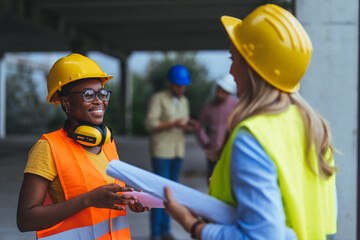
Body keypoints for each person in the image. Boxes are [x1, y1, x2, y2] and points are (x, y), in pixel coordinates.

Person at [163, 4, 337, 240]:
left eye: (233, 58)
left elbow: (262, 236)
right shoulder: (316, 127)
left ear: (252, 68)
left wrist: (192, 224)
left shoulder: (253, 135)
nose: (232, 71)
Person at [16, 53, 149, 240]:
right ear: (66, 102)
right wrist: (88, 200)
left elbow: (104, 195)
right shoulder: (48, 147)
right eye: (88, 94)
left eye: (103, 93)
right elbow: (25, 220)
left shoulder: (107, 142)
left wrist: (130, 199)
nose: (99, 100)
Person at [144, 64, 199, 240]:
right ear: (170, 83)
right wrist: (174, 124)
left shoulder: (185, 101)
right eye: (178, 85)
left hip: (177, 152)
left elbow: (182, 124)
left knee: (172, 194)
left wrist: (190, 125)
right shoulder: (158, 99)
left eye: (183, 86)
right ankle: (155, 232)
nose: (181, 89)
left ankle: (166, 230)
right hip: (162, 152)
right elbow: (150, 124)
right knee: (158, 193)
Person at [196, 74, 237, 182]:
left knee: (228, 180)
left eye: (223, 92)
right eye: (218, 90)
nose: (219, 94)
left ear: (229, 93)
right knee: (211, 179)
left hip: (229, 151)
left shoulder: (236, 106)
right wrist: (205, 142)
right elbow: (200, 127)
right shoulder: (208, 107)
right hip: (212, 151)